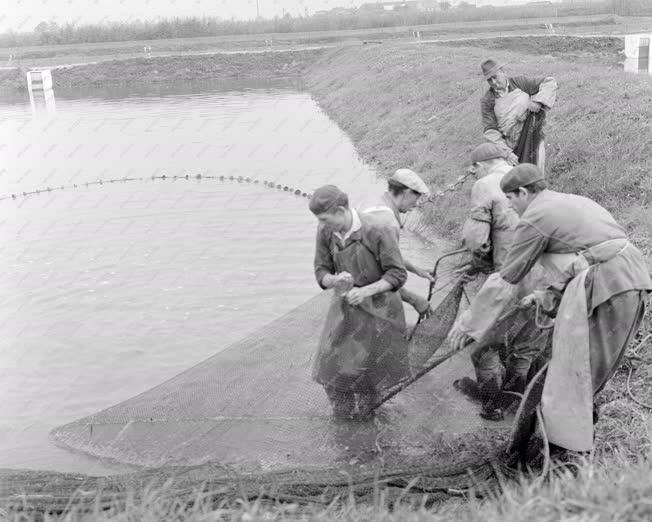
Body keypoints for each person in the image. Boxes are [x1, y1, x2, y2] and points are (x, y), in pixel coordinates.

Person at [448, 164, 652, 451]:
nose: (510, 206)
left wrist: (469, 325)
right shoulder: (573, 202)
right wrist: (545, 296)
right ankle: (560, 445)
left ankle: (560, 454)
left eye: (511, 199)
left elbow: (506, 277)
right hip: (632, 279)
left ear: (523, 192)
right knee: (581, 370)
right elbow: (582, 260)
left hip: (611, 286)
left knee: (580, 371)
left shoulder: (535, 217)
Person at [310, 184, 410, 419]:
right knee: (333, 370)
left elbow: (397, 274)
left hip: (380, 310)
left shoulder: (378, 229)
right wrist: (334, 280)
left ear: (341, 210)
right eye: (319, 220)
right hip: (344, 308)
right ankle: (344, 423)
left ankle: (367, 426)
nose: (322, 224)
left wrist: (366, 291)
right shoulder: (325, 232)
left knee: (369, 377)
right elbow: (320, 271)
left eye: (325, 219)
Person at [364, 168, 435, 317]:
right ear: (407, 192)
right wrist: (414, 299)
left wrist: (417, 270)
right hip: (365, 295)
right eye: (416, 199)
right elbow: (377, 274)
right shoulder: (388, 223)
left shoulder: (375, 204)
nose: (415, 205)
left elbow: (385, 255)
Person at [480, 59, 557, 171]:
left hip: (532, 137)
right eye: (489, 80)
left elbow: (549, 82)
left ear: (502, 71)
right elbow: (490, 130)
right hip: (510, 147)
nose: (494, 83)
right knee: (515, 182)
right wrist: (507, 153)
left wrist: (537, 102)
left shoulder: (519, 83)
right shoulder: (488, 100)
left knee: (536, 174)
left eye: (495, 77)